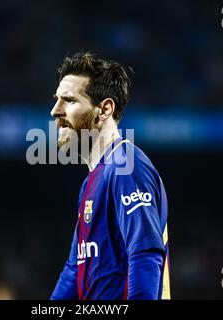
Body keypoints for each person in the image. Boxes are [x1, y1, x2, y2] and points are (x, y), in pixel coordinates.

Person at [50, 52, 170, 300]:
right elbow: (74, 269)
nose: (55, 111)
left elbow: (144, 254)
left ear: (104, 109)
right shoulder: (91, 182)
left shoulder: (126, 166)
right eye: (56, 100)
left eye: (69, 101)